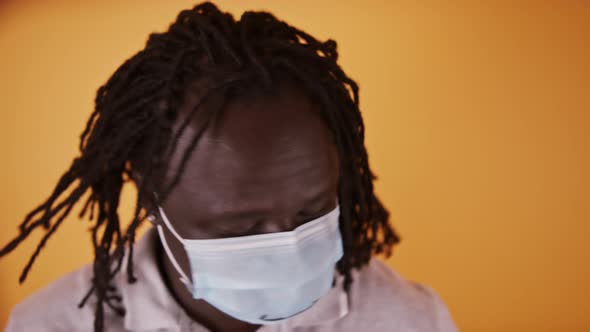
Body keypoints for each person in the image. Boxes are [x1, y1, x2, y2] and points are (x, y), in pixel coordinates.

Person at [1, 2, 458, 331]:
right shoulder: (48, 325)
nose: (287, 248)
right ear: (150, 193)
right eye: (239, 228)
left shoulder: (410, 320)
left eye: (311, 212)